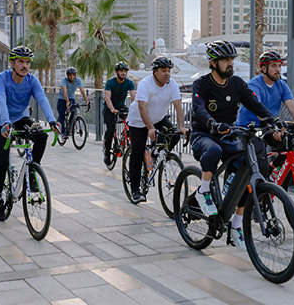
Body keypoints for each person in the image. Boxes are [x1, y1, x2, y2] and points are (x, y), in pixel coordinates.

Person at [190, 40, 275, 250]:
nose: (230, 64)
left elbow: (255, 105)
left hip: (229, 134)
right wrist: (213, 124)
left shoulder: (237, 83)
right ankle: (203, 191)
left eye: (231, 60)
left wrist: (273, 120)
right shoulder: (201, 84)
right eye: (226, 60)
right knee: (214, 150)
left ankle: (236, 225)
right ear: (213, 63)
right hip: (204, 134)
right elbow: (200, 109)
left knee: (247, 171)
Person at [0, 46, 58, 222]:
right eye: (20, 62)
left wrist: (52, 120)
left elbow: (41, 98)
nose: (25, 66)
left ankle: (33, 172)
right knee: (1, 160)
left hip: (20, 117)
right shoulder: (1, 78)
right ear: (12, 63)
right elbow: (1, 100)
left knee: (41, 135)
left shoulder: (32, 81)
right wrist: (5, 123)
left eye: (27, 62)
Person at [126, 56, 187, 204]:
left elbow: (178, 105)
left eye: (169, 71)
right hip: (139, 120)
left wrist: (182, 126)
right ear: (155, 72)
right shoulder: (145, 84)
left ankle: (154, 155)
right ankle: (135, 190)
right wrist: (150, 128)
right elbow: (142, 107)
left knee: (174, 136)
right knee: (137, 152)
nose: (167, 73)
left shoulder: (171, 84)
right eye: (163, 70)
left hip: (159, 118)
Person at [236, 50, 294, 135]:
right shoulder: (254, 85)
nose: (278, 69)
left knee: (292, 143)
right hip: (249, 129)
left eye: (279, 66)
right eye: (273, 66)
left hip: (271, 126)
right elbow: (257, 108)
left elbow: (292, 106)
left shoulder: (281, 84)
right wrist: (272, 127)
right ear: (264, 69)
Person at [102, 61, 136, 166]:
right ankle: (107, 152)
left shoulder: (130, 83)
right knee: (111, 129)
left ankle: (127, 141)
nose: (123, 73)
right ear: (117, 72)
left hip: (121, 107)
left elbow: (134, 98)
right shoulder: (110, 82)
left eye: (125, 71)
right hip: (109, 108)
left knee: (131, 125)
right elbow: (107, 98)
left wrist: (135, 110)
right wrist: (112, 109)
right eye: (121, 71)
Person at [57, 67, 90, 139]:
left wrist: (86, 100)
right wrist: (67, 101)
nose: (72, 77)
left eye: (73, 75)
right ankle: (63, 133)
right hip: (62, 99)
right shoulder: (64, 81)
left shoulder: (78, 80)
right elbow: (64, 91)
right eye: (70, 75)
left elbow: (82, 91)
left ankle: (70, 127)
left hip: (72, 98)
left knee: (74, 111)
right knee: (62, 115)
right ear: (67, 76)